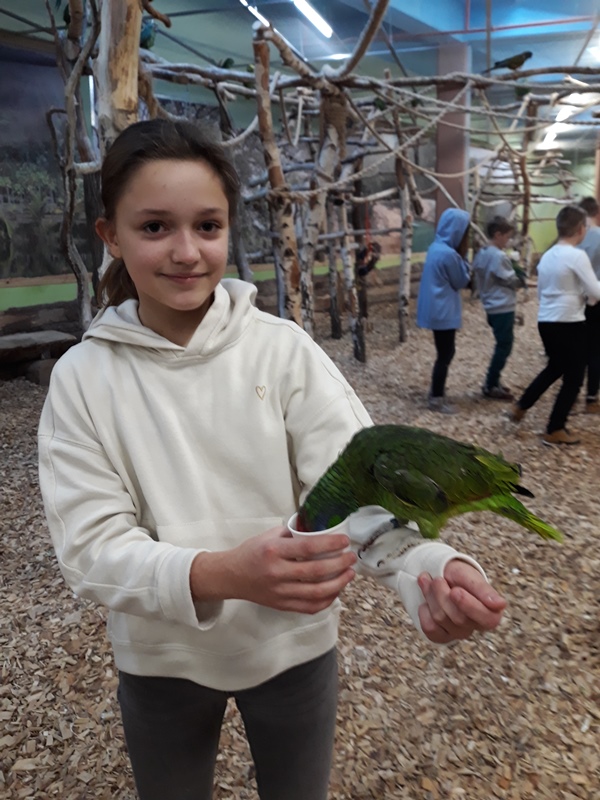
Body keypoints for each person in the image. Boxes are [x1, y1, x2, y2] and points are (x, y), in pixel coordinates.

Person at [38, 119, 506, 800]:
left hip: (294, 650)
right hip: (161, 657)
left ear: (230, 229)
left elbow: (358, 488)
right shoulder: (84, 379)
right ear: (110, 234)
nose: (186, 251)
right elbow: (90, 549)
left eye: (207, 225)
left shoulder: (282, 351)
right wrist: (225, 573)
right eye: (155, 227)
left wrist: (430, 569)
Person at [510, 205, 600, 445]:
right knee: (574, 378)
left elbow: (541, 292)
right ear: (581, 229)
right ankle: (555, 428)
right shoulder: (577, 256)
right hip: (570, 322)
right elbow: (595, 291)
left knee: (555, 367)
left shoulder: (548, 255)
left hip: (546, 321)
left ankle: (521, 405)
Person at [416, 207, 471, 413]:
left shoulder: (435, 248)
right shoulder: (449, 255)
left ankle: (437, 392)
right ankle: (436, 398)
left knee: (444, 352)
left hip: (435, 309)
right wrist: (466, 261)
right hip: (443, 311)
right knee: (446, 354)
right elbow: (461, 281)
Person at [472, 216, 527, 401]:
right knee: (504, 345)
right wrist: (521, 279)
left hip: (490, 305)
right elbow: (509, 280)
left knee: (502, 343)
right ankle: (490, 383)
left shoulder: (482, 252)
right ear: (497, 235)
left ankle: (494, 381)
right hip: (502, 306)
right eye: (507, 237)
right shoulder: (498, 256)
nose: (508, 241)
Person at [578, 197, 600, 413]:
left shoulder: (575, 237)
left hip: (576, 299)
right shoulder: (599, 236)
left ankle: (571, 392)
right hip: (596, 298)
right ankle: (591, 397)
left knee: (577, 347)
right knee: (595, 349)